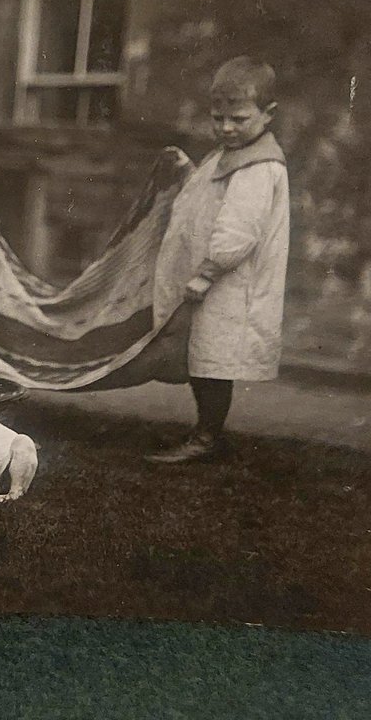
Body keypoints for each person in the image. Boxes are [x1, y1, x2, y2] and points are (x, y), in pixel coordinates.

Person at [146, 56, 290, 464]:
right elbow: (205, 195)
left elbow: (239, 230)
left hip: (228, 283)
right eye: (218, 118)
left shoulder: (257, 167)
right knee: (203, 358)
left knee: (212, 362)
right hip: (216, 280)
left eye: (238, 119)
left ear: (268, 115)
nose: (226, 128)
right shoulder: (229, 153)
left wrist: (206, 274)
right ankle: (207, 431)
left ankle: (207, 437)